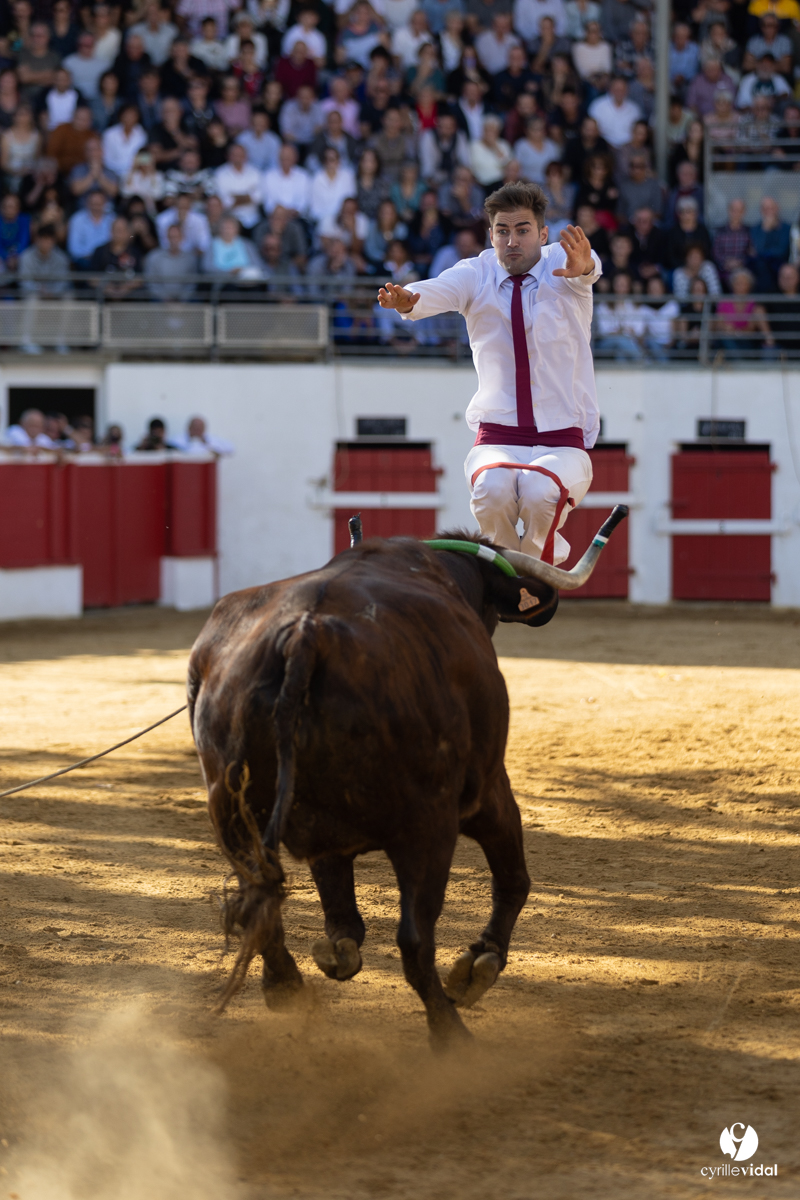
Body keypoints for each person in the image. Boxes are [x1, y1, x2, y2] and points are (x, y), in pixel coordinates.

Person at [378, 180, 602, 566]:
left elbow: (588, 267)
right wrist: (407, 300)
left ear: (542, 234)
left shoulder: (563, 262)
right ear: (491, 234)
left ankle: (535, 570)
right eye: (502, 231)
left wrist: (586, 268)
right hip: (497, 435)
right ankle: (509, 575)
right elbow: (431, 291)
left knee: (539, 491)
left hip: (563, 438)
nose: (512, 241)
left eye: (522, 230)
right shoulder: (475, 272)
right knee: (491, 491)